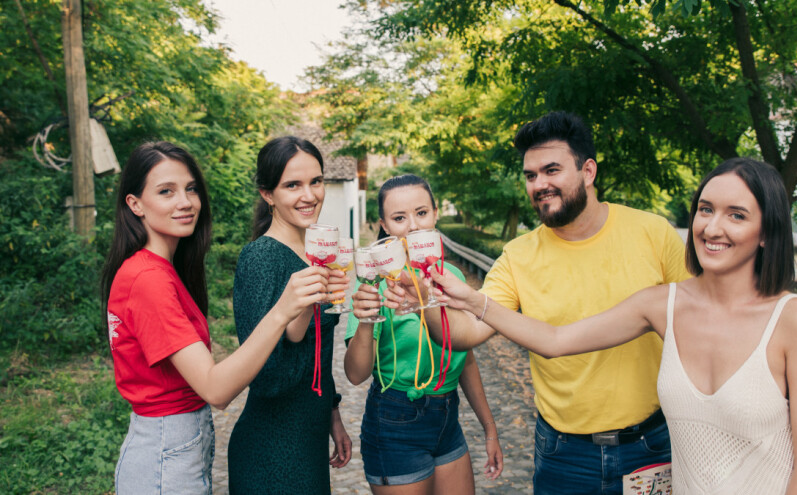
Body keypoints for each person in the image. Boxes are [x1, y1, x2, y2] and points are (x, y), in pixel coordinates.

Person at [425, 157, 797, 494]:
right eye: (705, 210)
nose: (712, 227)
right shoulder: (662, 304)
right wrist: (473, 301)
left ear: (766, 232)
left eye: (737, 215)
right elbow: (555, 339)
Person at [386, 111, 691, 493]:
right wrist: (426, 297)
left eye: (551, 170)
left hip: (651, 446)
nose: (539, 184)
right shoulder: (518, 256)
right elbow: (463, 334)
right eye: (531, 176)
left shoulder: (653, 233)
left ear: (588, 171)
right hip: (564, 453)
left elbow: (696, 327)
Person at [103, 141, 331, 494]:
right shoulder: (147, 278)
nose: (185, 202)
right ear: (134, 204)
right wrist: (283, 310)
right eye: (166, 191)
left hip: (179, 446)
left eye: (191, 188)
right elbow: (216, 389)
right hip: (166, 455)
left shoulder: (161, 270)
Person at [345, 174, 503, 494]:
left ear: (435, 213)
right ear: (385, 225)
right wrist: (366, 319)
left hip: (447, 420)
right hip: (395, 420)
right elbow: (355, 374)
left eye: (421, 213)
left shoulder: (452, 276)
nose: (413, 226)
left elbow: (464, 357)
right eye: (399, 218)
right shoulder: (376, 283)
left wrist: (489, 428)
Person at [227, 136, 352, 494]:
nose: (309, 195)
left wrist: (332, 413)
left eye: (316, 181)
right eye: (292, 185)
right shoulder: (262, 258)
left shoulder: (314, 250)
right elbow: (266, 378)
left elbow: (318, 354)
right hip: (272, 449)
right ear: (268, 194)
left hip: (308, 439)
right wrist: (303, 312)